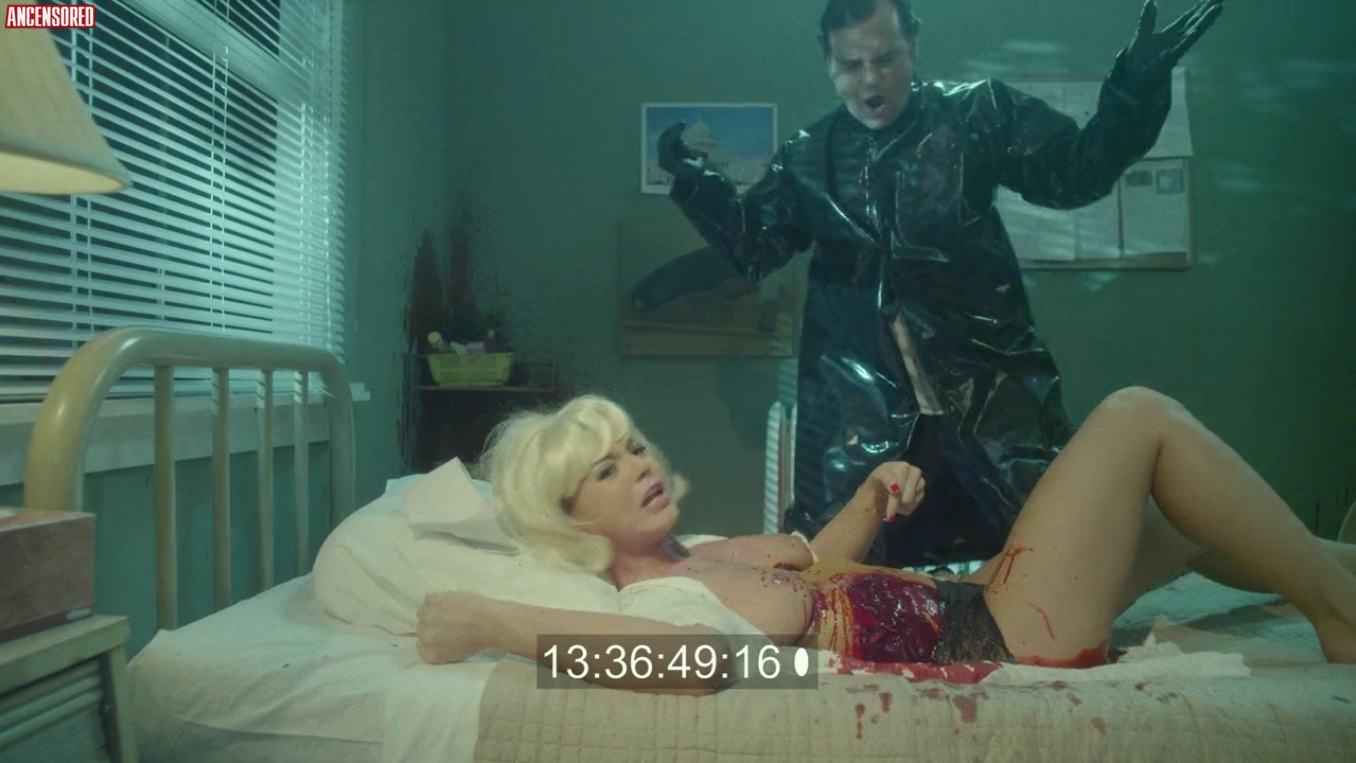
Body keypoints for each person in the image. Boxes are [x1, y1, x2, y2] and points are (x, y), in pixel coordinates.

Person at [629, 0, 1226, 569]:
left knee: (1056, 561)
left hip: (989, 397)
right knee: (850, 590)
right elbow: (754, 251)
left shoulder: (979, 114)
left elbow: (1073, 172)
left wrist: (1133, 92)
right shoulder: (807, 160)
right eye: (851, 65)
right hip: (859, 420)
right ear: (828, 62)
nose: (870, 80)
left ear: (913, 44)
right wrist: (697, 184)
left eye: (885, 58)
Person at [416, 390, 1356, 695]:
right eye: (607, 471)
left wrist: (871, 496)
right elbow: (688, 666)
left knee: (1179, 525)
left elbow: (819, 563)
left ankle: (1335, 575)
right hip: (1003, 635)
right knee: (1136, 417)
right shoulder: (660, 603)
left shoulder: (705, 549)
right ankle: (1339, 610)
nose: (639, 466)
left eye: (632, 447)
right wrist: (493, 620)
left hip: (978, 591)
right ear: (574, 520)